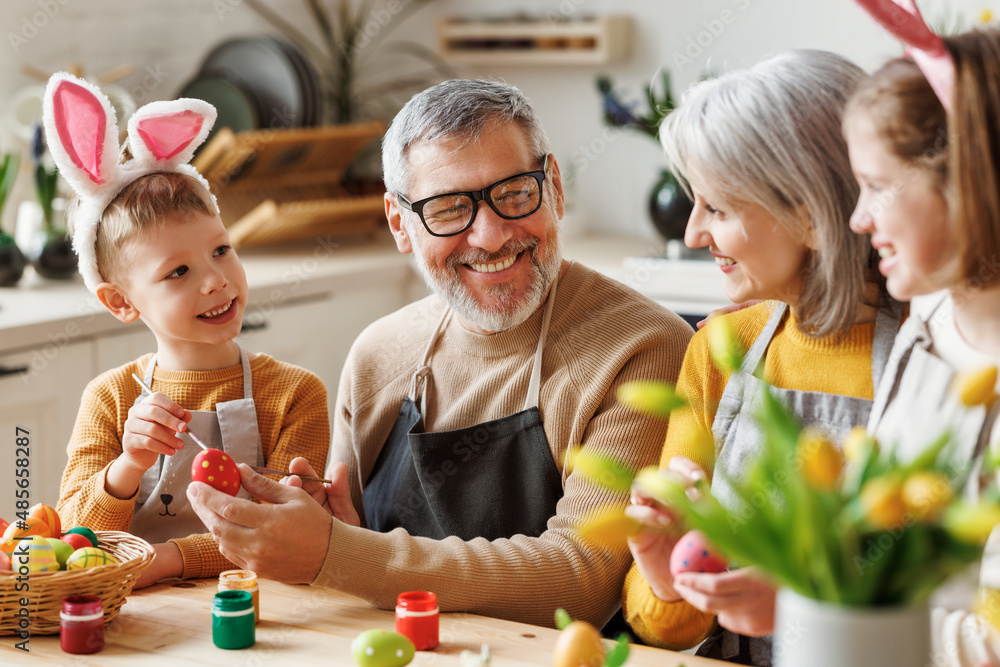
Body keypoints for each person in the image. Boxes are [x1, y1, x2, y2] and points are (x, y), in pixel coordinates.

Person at [185, 79, 693, 629]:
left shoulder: (643, 350)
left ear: (555, 188)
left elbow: (584, 579)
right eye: (449, 209)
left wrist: (337, 553)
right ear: (400, 224)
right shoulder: (379, 355)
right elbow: (349, 552)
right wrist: (331, 533)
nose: (492, 235)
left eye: (516, 192)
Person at [621, 50, 903, 665]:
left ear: (807, 215)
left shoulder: (935, 361)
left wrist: (800, 604)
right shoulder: (722, 349)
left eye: (717, 208)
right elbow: (662, 626)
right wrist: (667, 575)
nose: (693, 233)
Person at [47, 73, 330, 588]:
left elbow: (283, 535)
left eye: (221, 250)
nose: (216, 281)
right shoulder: (108, 400)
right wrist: (128, 466)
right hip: (135, 623)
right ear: (120, 302)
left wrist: (166, 560)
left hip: (258, 610)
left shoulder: (295, 395)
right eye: (178, 272)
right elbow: (73, 534)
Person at [843, 4, 1000, 664]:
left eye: (876, 185)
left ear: (967, 179)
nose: (857, 217)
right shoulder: (930, 316)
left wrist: (814, 607)